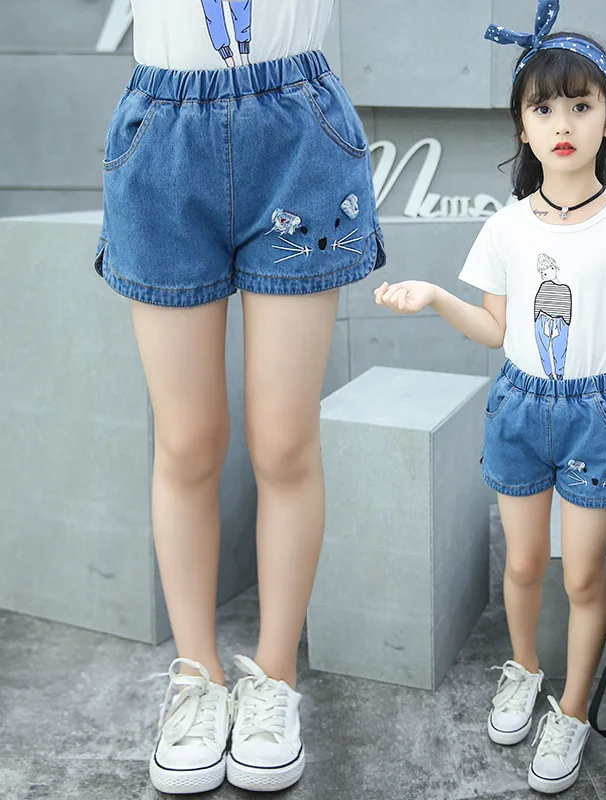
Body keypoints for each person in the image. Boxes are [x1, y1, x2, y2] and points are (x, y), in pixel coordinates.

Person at [374, 0, 606, 793]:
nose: (562, 123)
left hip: (596, 417)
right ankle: (523, 670)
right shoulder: (506, 227)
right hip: (517, 410)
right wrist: (436, 296)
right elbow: (494, 328)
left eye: (580, 105)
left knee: (582, 577)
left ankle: (571, 709)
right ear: (522, 124)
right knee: (522, 563)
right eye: (543, 108)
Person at [94, 0, 385, 793]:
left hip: (296, 132)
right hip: (163, 135)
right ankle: (197, 677)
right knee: (187, 442)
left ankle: (275, 679)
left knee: (284, 442)